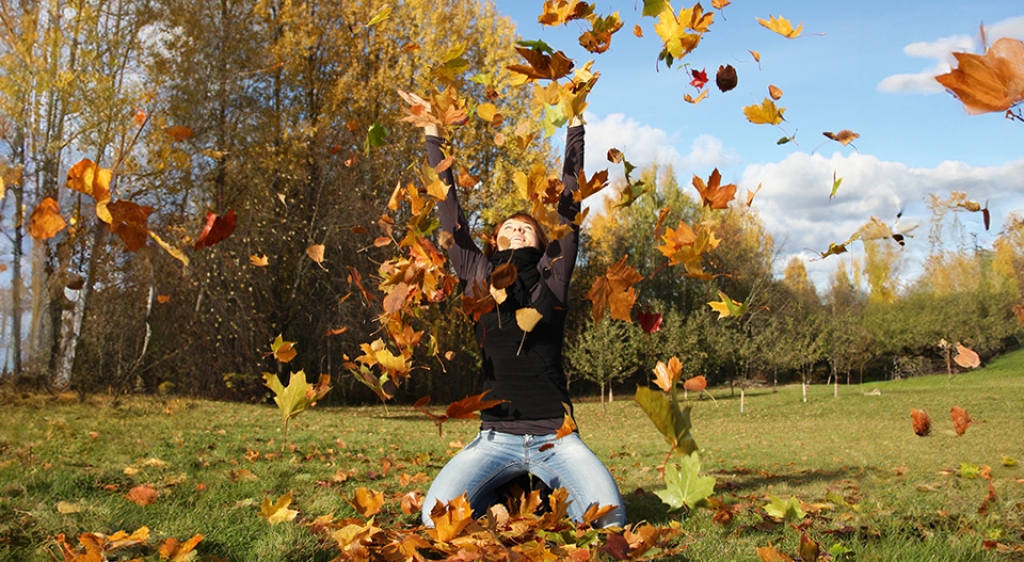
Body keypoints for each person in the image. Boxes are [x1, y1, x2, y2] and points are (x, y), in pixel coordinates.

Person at [405, 93, 626, 529]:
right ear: (495, 240)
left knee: (611, 520)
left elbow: (569, 204)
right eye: (508, 225)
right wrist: (433, 131)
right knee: (436, 523)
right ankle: (513, 494)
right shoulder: (476, 273)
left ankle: (536, 489)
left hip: (556, 438)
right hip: (494, 438)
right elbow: (450, 214)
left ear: (543, 242)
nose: (518, 225)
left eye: (527, 225)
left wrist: (575, 126)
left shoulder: (554, 276)